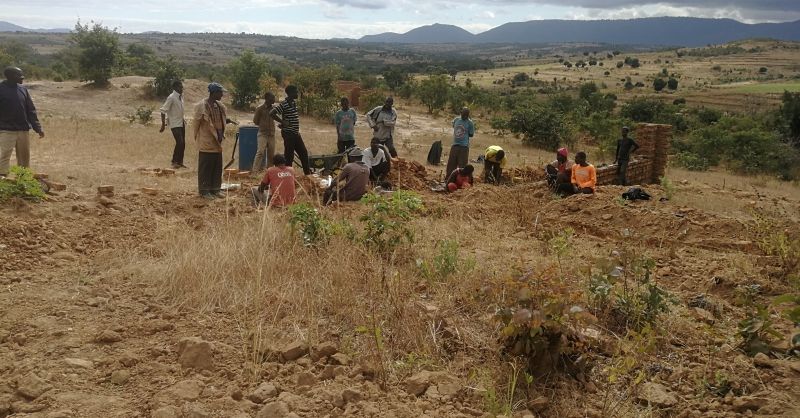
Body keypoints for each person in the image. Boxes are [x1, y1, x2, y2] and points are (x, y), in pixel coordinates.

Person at [192, 82, 235, 199]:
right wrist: (197, 138)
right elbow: (196, 124)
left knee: (216, 166)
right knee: (206, 166)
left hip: (218, 141)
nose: (222, 95)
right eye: (220, 92)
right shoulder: (202, 106)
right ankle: (204, 191)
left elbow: (219, 120)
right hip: (206, 141)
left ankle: (215, 189)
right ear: (214, 93)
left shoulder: (219, 106)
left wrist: (228, 121)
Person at [0, 66, 44, 177]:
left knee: (24, 157)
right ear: (10, 76)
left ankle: (23, 180)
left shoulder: (23, 89)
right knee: (4, 155)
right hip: (6, 130)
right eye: (19, 75)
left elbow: (31, 110)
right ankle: (2, 179)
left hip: (23, 130)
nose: (22, 77)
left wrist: (38, 128)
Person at [271, 85, 311, 175]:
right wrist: (282, 121)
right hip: (289, 134)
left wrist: (283, 122)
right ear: (290, 93)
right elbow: (272, 113)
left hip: (295, 133)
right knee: (289, 157)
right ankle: (287, 177)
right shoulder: (284, 104)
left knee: (304, 153)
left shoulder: (293, 103)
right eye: (296, 92)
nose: (297, 93)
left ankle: (308, 176)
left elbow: (289, 117)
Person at [159, 80, 186, 169]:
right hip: (174, 123)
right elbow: (163, 111)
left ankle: (180, 162)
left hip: (181, 123)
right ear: (175, 88)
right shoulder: (171, 97)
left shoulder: (181, 97)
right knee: (180, 142)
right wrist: (163, 124)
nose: (182, 88)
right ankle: (174, 161)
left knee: (183, 143)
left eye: (182, 87)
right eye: (180, 87)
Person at [445, 107, 475, 178]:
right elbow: (454, 126)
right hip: (455, 145)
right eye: (463, 114)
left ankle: (461, 179)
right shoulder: (456, 120)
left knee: (462, 165)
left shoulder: (470, 123)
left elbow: (471, 134)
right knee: (451, 164)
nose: (464, 116)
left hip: (464, 146)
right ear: (461, 113)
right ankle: (448, 178)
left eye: (466, 115)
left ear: (468, 115)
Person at [252, 92, 276, 173]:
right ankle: (254, 171)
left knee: (271, 154)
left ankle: (270, 172)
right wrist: (263, 125)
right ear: (267, 99)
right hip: (263, 133)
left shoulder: (274, 108)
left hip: (271, 134)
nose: (274, 99)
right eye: (272, 98)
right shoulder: (260, 108)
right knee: (260, 152)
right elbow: (255, 121)